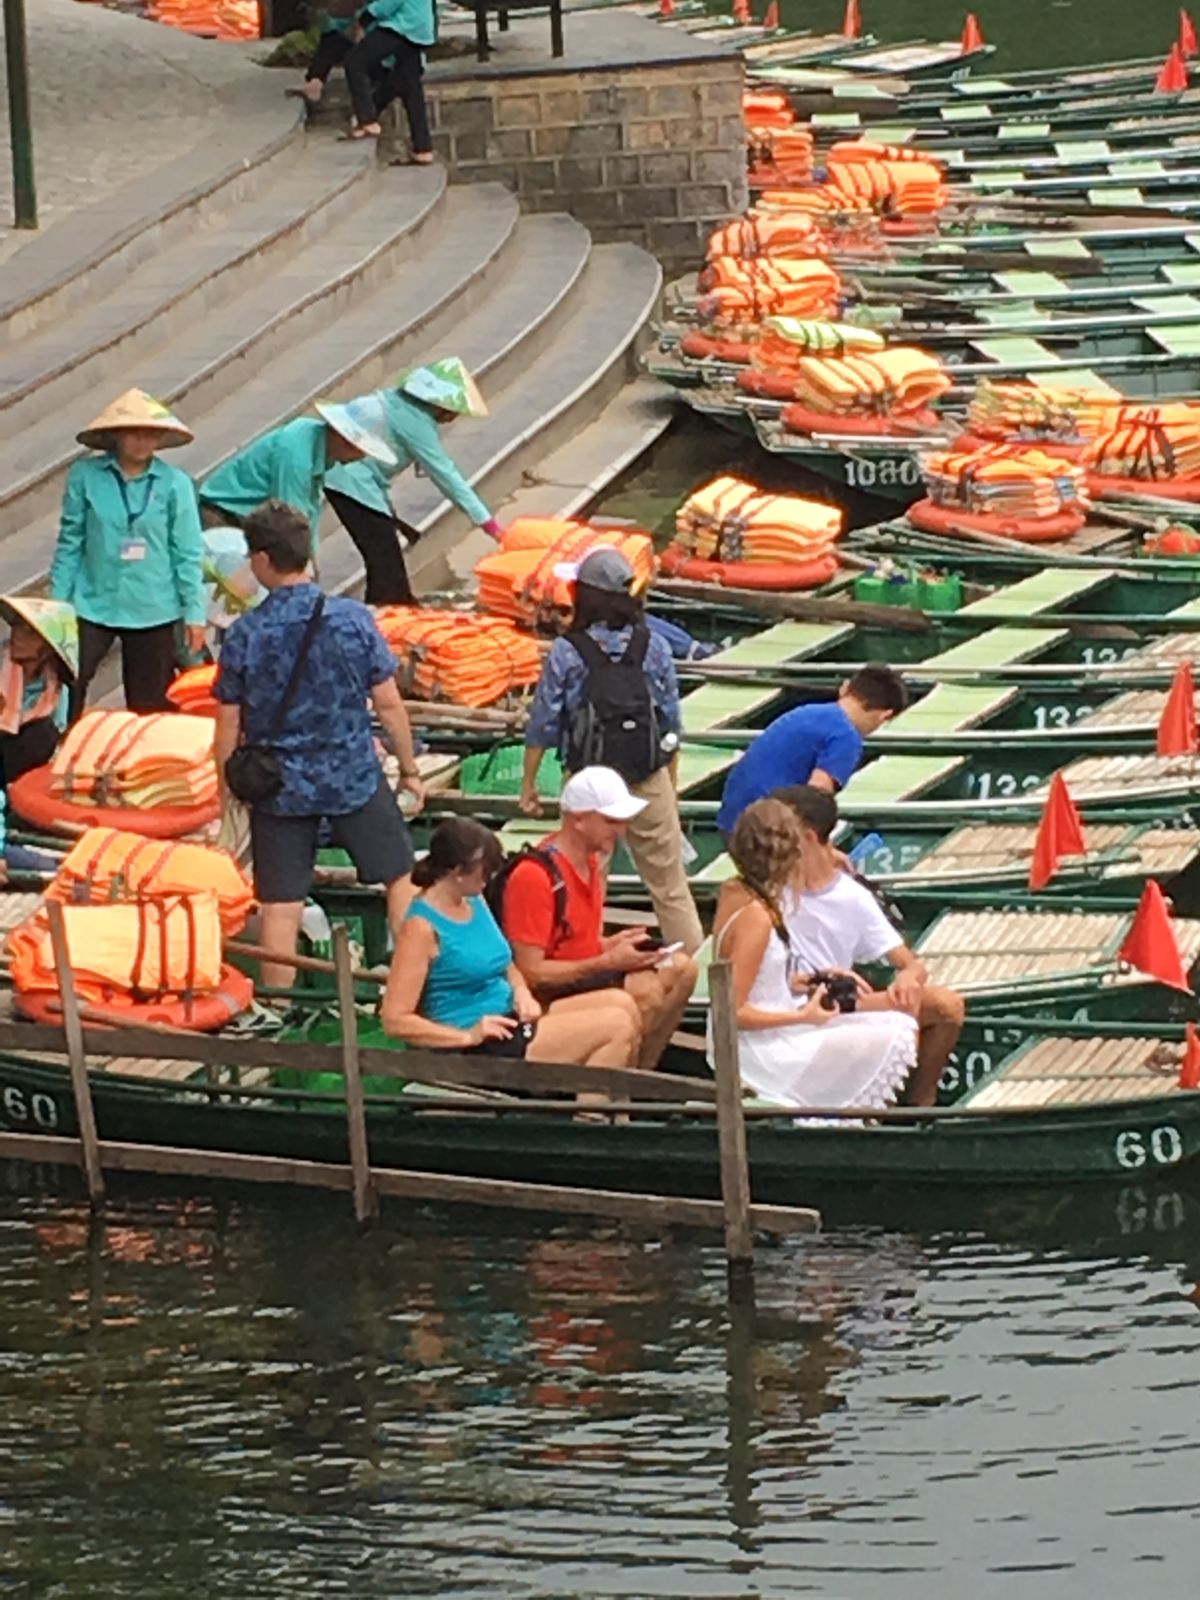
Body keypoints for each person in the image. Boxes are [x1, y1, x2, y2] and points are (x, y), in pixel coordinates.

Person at [213, 501, 424, 992]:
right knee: (399, 877)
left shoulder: (245, 634)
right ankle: (411, 991)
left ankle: (281, 1008)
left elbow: (227, 726)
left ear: (263, 559)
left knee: (281, 904)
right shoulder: (351, 619)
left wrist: (228, 794)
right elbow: (389, 705)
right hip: (352, 775)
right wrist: (410, 768)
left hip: (278, 788)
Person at [519, 548, 704, 955]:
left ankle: (589, 962)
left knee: (587, 882)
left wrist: (529, 784)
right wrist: (668, 781)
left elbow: (544, 722)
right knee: (670, 887)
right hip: (646, 773)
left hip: (589, 783)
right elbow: (670, 718)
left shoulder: (567, 651)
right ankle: (696, 974)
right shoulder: (653, 645)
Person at [383, 817, 640, 1072]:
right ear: (457, 872)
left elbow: (504, 961)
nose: (489, 879)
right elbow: (395, 1020)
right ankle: (592, 1111)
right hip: (480, 1042)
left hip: (511, 1016)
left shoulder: (473, 899)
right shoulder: (420, 928)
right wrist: (467, 1036)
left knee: (623, 1004)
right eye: (483, 871)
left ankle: (605, 1103)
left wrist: (521, 992)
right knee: (615, 1025)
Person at [710, 797, 917, 1111]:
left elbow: (758, 977)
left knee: (884, 1020)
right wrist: (801, 1017)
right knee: (896, 1029)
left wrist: (808, 981)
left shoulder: (734, 890)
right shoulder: (757, 917)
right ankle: (849, 1124)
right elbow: (731, 1011)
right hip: (761, 1051)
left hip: (768, 1032)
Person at [777, 784, 966, 1107]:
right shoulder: (766, 883)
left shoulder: (852, 897)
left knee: (945, 1005)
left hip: (832, 1001)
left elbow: (910, 963)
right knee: (894, 1022)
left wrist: (907, 978)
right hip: (782, 1002)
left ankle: (920, 1105)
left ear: (807, 837)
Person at [499, 766, 697, 1070]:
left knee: (683, 968)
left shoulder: (590, 862)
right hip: (550, 994)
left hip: (581, 976)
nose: (620, 829)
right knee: (645, 992)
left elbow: (575, 941)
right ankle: (618, 1074)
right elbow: (531, 972)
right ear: (578, 819)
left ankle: (640, 1072)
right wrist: (607, 961)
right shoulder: (534, 877)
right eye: (610, 821)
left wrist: (608, 945)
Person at [50, 389, 206, 716]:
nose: (141, 440)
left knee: (149, 703)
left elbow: (188, 551)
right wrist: (56, 606)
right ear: (116, 435)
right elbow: (70, 540)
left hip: (154, 605)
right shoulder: (85, 476)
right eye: (133, 432)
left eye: (150, 433)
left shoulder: (175, 484)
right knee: (68, 682)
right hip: (93, 601)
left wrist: (194, 612)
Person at [325, 360, 502, 606]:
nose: (453, 417)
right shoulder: (412, 419)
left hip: (356, 480)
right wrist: (489, 524)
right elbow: (446, 475)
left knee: (385, 555)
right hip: (349, 480)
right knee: (384, 557)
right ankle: (386, 613)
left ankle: (392, 607)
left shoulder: (399, 403)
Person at [716, 665, 909, 836]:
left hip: (733, 819)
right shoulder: (846, 737)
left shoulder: (809, 711)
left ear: (845, 689)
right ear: (885, 715)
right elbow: (816, 797)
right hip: (765, 831)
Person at [197, 400, 396, 554]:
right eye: (360, 450)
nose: (361, 457)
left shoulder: (316, 445)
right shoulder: (295, 454)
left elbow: (310, 508)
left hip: (252, 519)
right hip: (224, 515)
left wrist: (312, 555)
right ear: (344, 440)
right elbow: (290, 518)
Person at [343, 0, 435, 159]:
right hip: (419, 28)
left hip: (403, 25)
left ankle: (367, 120)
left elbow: (390, 3)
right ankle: (422, 148)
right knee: (411, 87)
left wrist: (364, 19)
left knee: (355, 61)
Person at [0, 598, 76, 783]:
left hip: (16, 758)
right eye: (17, 627)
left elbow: (59, 738)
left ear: (46, 647)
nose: (18, 635)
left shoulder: (56, 691)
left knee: (43, 734)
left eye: (29, 632)